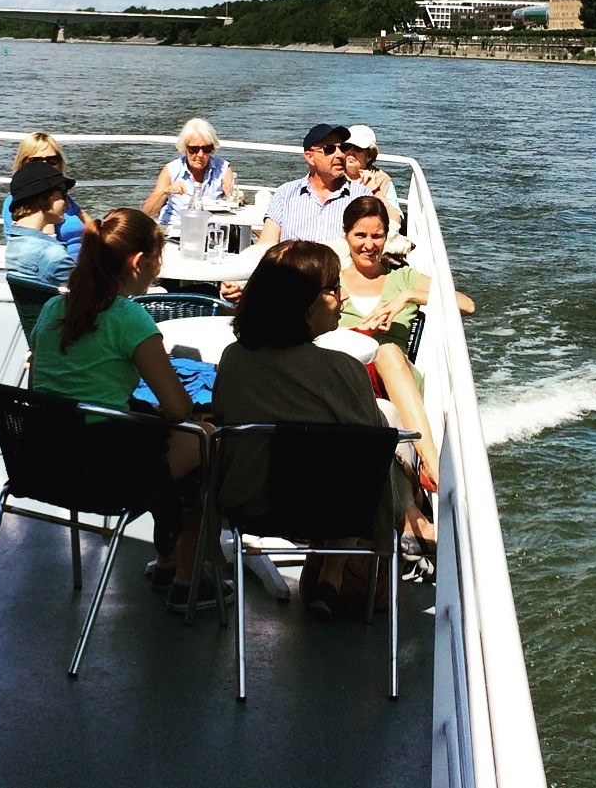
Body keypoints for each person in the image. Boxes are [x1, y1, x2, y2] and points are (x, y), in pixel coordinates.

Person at [30, 208, 227, 612]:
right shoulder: (129, 319)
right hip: (103, 471)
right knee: (205, 437)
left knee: (159, 437)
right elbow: (177, 408)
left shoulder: (52, 310)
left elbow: (42, 388)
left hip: (47, 461)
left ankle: (169, 562)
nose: (160, 267)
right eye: (158, 258)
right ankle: (188, 578)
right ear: (139, 262)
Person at [212, 240, 408, 620]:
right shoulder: (343, 371)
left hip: (249, 504)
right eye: (333, 288)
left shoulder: (233, 360)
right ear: (305, 304)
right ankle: (334, 575)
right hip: (334, 510)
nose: (342, 296)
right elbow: (369, 461)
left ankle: (331, 576)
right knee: (382, 444)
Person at [337, 196, 475, 497]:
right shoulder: (331, 280)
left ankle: (431, 465)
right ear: (345, 234)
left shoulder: (403, 278)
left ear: (386, 238)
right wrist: (359, 331)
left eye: (377, 236)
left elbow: (466, 305)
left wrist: (408, 296)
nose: (369, 245)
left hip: (396, 377)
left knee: (387, 351)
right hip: (347, 376)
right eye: (360, 235)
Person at [257, 123, 371, 247]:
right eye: (329, 149)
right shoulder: (286, 193)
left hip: (339, 260)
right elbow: (266, 244)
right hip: (293, 259)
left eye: (343, 148)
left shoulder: (361, 196)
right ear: (310, 157)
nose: (340, 155)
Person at [1, 134, 88, 260]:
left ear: (60, 163)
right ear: (22, 163)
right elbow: (37, 252)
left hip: (84, 264)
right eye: (35, 161)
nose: (45, 166)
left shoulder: (64, 198)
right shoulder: (20, 204)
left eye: (51, 160)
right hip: (61, 267)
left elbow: (91, 226)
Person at [142, 118, 234, 231]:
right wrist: (166, 191)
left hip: (210, 231)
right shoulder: (171, 170)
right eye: (194, 149)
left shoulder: (223, 169)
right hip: (174, 230)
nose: (200, 155)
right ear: (185, 148)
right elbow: (147, 212)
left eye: (206, 149)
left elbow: (234, 200)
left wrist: (236, 196)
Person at [4, 161, 76, 287]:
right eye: (64, 194)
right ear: (44, 195)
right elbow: (93, 295)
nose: (68, 203)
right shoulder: (54, 256)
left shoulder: (15, 241)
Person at [343, 124, 402, 228]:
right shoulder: (333, 174)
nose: (351, 152)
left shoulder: (381, 180)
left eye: (357, 148)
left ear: (369, 156)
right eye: (346, 147)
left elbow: (396, 220)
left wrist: (375, 190)